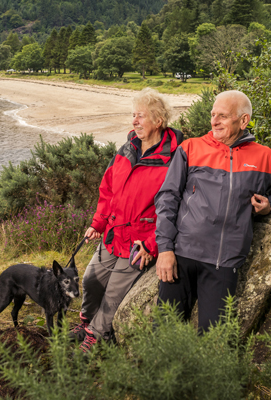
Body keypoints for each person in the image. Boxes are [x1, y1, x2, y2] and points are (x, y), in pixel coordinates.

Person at [154, 90, 271, 332]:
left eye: (222, 116)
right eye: (213, 114)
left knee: (213, 342)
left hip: (224, 261)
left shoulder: (265, 156)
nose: (214, 121)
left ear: (243, 120)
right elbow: (167, 198)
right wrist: (165, 250)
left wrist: (268, 207)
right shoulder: (190, 148)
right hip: (182, 256)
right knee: (164, 334)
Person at [71, 88, 184, 351]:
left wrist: (152, 245)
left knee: (113, 293)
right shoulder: (127, 148)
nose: (134, 121)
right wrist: (97, 223)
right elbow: (107, 189)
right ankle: (87, 321)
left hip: (140, 244)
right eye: (133, 115)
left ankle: (97, 336)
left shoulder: (175, 158)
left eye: (140, 116)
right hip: (113, 234)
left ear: (158, 121)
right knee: (91, 280)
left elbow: (175, 209)